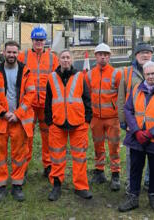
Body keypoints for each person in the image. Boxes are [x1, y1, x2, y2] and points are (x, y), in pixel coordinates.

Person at [118, 61, 154, 213]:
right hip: (137, 137)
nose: (150, 76)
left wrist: (150, 133)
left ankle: (153, 196)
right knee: (135, 168)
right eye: (148, 74)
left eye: (153, 73)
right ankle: (133, 197)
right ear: (144, 74)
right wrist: (136, 131)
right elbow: (128, 109)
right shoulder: (137, 88)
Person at [0, 40, 35, 203]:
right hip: (0, 121)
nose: (12, 55)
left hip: (19, 121)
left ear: (18, 53)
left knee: (19, 155)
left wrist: (18, 114)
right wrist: (3, 113)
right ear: (4, 53)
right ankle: (0, 187)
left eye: (15, 52)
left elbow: (30, 95)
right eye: (9, 52)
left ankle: (17, 185)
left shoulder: (26, 71)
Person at [45, 50, 92, 201]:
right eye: (63, 58)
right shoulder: (51, 78)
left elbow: (86, 99)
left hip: (78, 123)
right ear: (58, 60)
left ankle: (81, 187)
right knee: (57, 157)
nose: (65, 60)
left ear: (72, 59)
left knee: (79, 157)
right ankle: (56, 185)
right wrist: (49, 122)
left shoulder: (79, 76)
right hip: (57, 124)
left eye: (68, 57)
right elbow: (48, 101)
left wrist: (87, 120)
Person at [17, 26, 59, 178]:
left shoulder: (52, 58)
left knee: (47, 136)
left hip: (46, 104)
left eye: (41, 40)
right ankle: (24, 166)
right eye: (36, 40)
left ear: (45, 41)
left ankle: (48, 165)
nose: (39, 43)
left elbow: (57, 79)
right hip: (29, 103)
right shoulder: (23, 56)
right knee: (27, 135)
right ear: (32, 41)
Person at [85, 43, 122, 190]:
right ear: (96, 56)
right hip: (96, 118)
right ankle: (99, 172)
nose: (103, 57)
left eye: (106, 54)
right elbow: (86, 95)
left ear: (109, 56)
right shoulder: (89, 75)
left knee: (114, 147)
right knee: (98, 146)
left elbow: (121, 96)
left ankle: (115, 175)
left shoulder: (116, 74)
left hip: (112, 118)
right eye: (100, 54)